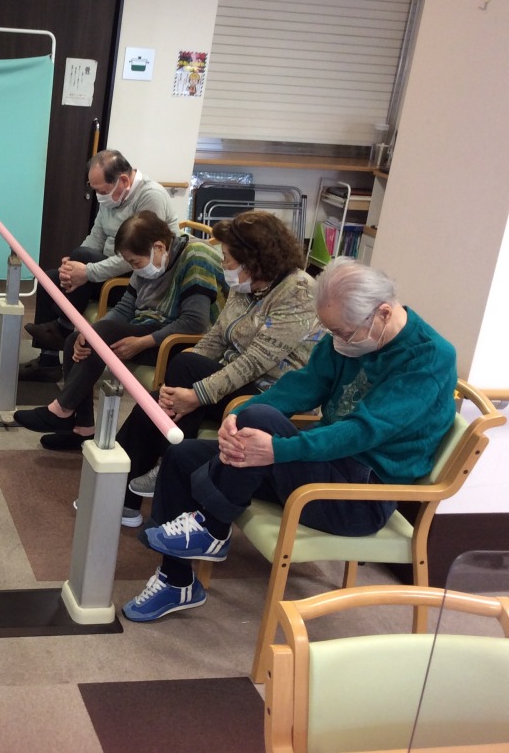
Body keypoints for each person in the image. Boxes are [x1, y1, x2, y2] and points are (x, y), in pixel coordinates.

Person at [123, 258, 458, 623]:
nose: (338, 341)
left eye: (343, 332)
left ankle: (213, 528)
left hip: (361, 495)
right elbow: (301, 387)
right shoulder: (349, 338)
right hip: (322, 466)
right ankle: (177, 581)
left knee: (261, 421)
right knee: (184, 454)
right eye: (331, 331)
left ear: (383, 313)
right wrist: (235, 417)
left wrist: (278, 449)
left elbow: (363, 430)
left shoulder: (428, 358)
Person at [113, 209, 320, 528]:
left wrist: (196, 393)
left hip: (270, 398)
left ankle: (164, 464)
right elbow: (215, 338)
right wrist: (181, 389)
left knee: (181, 373)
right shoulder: (247, 284)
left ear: (253, 259)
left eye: (227, 258)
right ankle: (121, 502)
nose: (223, 264)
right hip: (231, 382)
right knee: (154, 403)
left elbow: (255, 362)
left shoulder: (298, 291)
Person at [12, 210, 225, 477]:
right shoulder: (148, 260)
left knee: (101, 333)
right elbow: (125, 308)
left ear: (159, 247)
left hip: (179, 342)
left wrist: (141, 342)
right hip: (149, 328)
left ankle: (62, 410)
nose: (135, 269)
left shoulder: (196, 257)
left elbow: (194, 322)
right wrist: (90, 333)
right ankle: (82, 428)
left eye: (135, 262)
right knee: (77, 339)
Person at [20, 149, 182, 383]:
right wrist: (74, 266)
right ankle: (48, 361)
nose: (98, 196)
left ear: (123, 181)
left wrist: (87, 271)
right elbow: (96, 237)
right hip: (108, 270)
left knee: (81, 260)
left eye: (102, 191)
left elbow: (138, 256)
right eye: (95, 189)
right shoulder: (111, 196)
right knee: (50, 279)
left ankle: (63, 328)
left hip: (135, 276)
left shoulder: (150, 196)